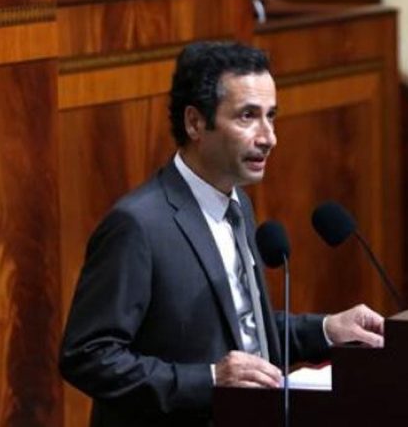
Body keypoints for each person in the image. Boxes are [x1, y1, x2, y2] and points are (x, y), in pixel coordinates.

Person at [59, 41, 385, 427]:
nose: (268, 137)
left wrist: (326, 330)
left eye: (271, 116)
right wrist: (210, 380)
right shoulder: (138, 225)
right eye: (248, 116)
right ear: (195, 123)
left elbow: (241, 330)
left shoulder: (238, 204)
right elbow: (88, 356)